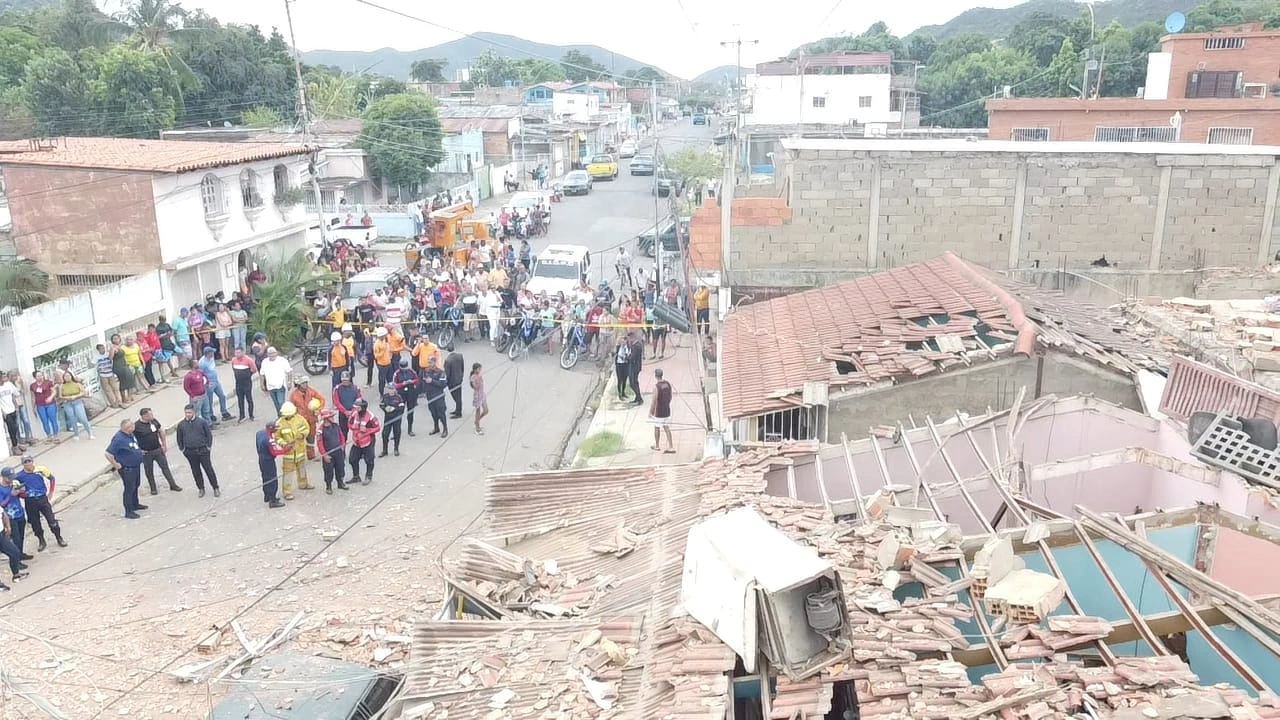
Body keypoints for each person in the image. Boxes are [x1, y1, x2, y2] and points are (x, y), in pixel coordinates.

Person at [14, 455, 65, 550]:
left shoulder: (40, 470)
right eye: (25, 462)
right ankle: (41, 540)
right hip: (30, 502)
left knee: (52, 521)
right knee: (35, 524)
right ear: (22, 464)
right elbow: (16, 490)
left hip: (42, 499)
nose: (28, 463)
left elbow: (52, 478)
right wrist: (23, 494)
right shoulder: (19, 476)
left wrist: (51, 492)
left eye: (29, 461)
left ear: (32, 461)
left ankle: (59, 538)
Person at [104, 419, 147, 519]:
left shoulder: (130, 434)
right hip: (127, 468)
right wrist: (116, 464)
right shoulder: (119, 439)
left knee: (136, 484)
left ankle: (135, 504)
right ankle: (129, 511)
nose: (134, 426)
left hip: (135, 465)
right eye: (132, 425)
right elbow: (108, 453)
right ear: (128, 428)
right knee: (129, 488)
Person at [175, 404, 219, 498]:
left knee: (208, 469)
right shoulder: (181, 425)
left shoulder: (201, 422)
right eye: (186, 412)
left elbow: (209, 435)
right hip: (190, 452)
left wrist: (208, 447)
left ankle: (215, 487)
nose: (187, 414)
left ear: (194, 412)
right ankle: (201, 488)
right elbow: (179, 438)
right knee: (195, 471)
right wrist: (183, 449)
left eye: (189, 412)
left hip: (203, 450)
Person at [134, 408, 181, 495]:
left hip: (157, 449)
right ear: (144, 416)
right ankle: (153, 488)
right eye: (150, 415)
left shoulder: (153, 421)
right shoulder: (136, 426)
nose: (152, 416)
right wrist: (138, 450)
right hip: (146, 452)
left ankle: (173, 484)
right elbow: (132, 439)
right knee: (149, 471)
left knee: (165, 467)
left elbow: (161, 431)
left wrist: (164, 444)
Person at [275, 401, 312, 497]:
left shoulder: (300, 419)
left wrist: (302, 435)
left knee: (302, 469)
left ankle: (303, 484)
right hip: (289, 453)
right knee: (287, 473)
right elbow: (277, 437)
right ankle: (287, 492)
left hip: (300, 450)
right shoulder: (279, 423)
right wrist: (284, 444)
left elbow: (307, 428)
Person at [288, 376, 325, 460]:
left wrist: (318, 410)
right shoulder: (293, 396)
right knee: (299, 438)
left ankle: (311, 455)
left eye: (306, 383)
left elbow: (321, 399)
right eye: (303, 383)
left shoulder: (311, 391)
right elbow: (291, 408)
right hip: (300, 422)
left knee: (311, 438)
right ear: (298, 385)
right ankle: (298, 456)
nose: (305, 385)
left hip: (311, 419)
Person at [0, 468, 31, 566]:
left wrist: (21, 492)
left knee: (21, 536)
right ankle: (16, 561)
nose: (11, 480)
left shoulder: (13, 484)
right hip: (10, 517)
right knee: (16, 538)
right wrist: (11, 494)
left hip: (19, 513)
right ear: (4, 477)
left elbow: (22, 496)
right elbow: (2, 504)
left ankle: (20, 554)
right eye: (9, 478)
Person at [55, 361, 93, 440]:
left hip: (77, 401)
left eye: (68, 376)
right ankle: (76, 434)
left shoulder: (77, 384)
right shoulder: (62, 386)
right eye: (65, 376)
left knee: (82, 418)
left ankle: (89, 432)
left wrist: (75, 396)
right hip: (67, 403)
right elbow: (60, 396)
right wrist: (68, 398)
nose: (67, 377)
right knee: (72, 419)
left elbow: (83, 392)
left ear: (71, 376)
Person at [315, 409, 348, 494]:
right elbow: (320, 443)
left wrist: (343, 445)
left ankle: (340, 483)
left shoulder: (336, 426)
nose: (333, 418)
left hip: (338, 452)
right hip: (328, 454)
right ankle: (328, 486)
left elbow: (341, 436)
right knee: (328, 471)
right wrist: (324, 455)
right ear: (326, 418)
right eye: (331, 416)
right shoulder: (320, 430)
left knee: (340, 468)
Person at [347, 398, 379, 485]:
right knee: (352, 459)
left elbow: (377, 427)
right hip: (356, 440)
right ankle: (356, 477)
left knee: (369, 460)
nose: (356, 409)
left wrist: (366, 431)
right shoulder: (354, 414)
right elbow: (349, 423)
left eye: (358, 407)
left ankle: (368, 476)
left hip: (368, 441)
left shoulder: (371, 416)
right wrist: (354, 428)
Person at [255, 421, 287, 508]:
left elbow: (257, 446)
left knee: (265, 478)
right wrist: (286, 450)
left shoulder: (260, 433)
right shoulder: (269, 439)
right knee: (272, 480)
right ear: (271, 429)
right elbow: (274, 452)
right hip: (268, 461)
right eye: (275, 429)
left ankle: (267, 496)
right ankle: (272, 500)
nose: (276, 430)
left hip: (261, 458)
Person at [200, 347, 232, 422]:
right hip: (209, 383)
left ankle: (224, 412)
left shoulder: (211, 358)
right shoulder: (202, 362)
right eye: (212, 352)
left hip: (216, 381)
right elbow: (201, 374)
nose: (213, 353)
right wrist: (206, 383)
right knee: (210, 400)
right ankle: (211, 415)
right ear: (208, 353)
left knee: (222, 396)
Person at [420, 356, 449, 438]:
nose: (429, 364)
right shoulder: (426, 371)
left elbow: (443, 384)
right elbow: (423, 381)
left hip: (438, 396)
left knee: (441, 413)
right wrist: (424, 391)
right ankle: (436, 428)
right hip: (430, 396)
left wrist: (432, 381)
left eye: (431, 362)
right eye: (428, 362)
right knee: (433, 413)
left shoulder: (441, 372)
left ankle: (445, 429)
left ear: (435, 362)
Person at [391, 360, 420, 436]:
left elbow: (417, 380)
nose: (404, 369)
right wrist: (402, 384)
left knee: (410, 412)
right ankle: (396, 432)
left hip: (411, 393)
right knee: (398, 413)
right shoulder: (396, 373)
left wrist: (412, 381)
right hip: (401, 394)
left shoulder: (411, 371)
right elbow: (394, 385)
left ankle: (410, 430)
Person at [259, 347, 293, 413]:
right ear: (267, 354)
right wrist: (262, 384)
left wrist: (289, 382)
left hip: (280, 386)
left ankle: (284, 416)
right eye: (270, 353)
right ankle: (279, 416)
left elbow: (289, 371)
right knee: (276, 404)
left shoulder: (282, 360)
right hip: (270, 387)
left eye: (273, 353)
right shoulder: (265, 362)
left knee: (281, 403)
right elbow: (262, 374)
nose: (272, 355)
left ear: (276, 353)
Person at [230, 347, 258, 423]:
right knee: (240, 400)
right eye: (236, 353)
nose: (237, 354)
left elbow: (254, 369)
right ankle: (242, 415)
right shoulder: (233, 360)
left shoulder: (249, 360)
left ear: (243, 352)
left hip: (247, 383)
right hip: (238, 383)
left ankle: (251, 415)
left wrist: (248, 375)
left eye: (239, 352)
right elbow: (233, 368)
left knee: (249, 399)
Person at [650, 368, 675, 453]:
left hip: (659, 411)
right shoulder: (668, 384)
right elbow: (670, 396)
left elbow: (654, 400)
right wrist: (667, 403)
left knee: (657, 427)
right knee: (666, 427)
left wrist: (651, 411)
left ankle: (657, 445)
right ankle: (671, 446)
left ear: (656, 376)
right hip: (667, 409)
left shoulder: (656, 386)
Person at [332, 372, 362, 437]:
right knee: (343, 433)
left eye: (346, 380)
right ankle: (343, 446)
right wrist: (345, 411)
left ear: (349, 379)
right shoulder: (337, 389)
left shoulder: (356, 388)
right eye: (343, 380)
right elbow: (336, 402)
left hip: (355, 414)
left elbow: (359, 400)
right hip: (343, 414)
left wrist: (353, 411)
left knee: (357, 432)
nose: (344, 382)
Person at [30, 371, 58, 440]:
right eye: (38, 376)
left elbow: (54, 391)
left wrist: (51, 397)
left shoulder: (48, 382)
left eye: (41, 375)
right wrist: (33, 407)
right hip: (40, 405)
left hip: (50, 404)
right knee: (44, 421)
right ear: (35, 377)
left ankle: (55, 435)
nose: (40, 377)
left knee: (53, 419)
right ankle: (49, 435)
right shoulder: (32, 386)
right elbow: (33, 397)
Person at [378, 386, 405, 457]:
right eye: (389, 389)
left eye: (392, 389)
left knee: (397, 433)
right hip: (388, 418)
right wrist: (385, 408)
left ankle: (396, 449)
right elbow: (381, 405)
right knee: (385, 434)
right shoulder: (385, 396)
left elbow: (402, 407)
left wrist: (394, 408)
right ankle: (385, 450)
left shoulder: (399, 397)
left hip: (396, 419)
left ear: (395, 390)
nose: (391, 391)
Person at [444, 348, 465, 419]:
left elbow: (447, 373)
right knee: (459, 396)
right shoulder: (460, 356)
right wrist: (461, 376)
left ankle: (459, 413)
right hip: (459, 379)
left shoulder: (448, 360)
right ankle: (457, 409)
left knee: (456, 397)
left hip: (452, 382)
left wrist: (445, 382)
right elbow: (462, 367)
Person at [627, 330, 645, 406]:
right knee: (634, 382)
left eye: (630, 338)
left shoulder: (636, 346)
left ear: (632, 338)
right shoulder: (634, 345)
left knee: (633, 382)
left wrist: (627, 357)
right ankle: (637, 397)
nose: (629, 340)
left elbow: (632, 357)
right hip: (634, 366)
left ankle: (639, 397)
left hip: (635, 367)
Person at [469, 363, 488, 435]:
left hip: (482, 394)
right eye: (478, 369)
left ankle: (477, 421)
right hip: (477, 396)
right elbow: (475, 387)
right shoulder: (473, 377)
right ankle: (477, 428)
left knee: (486, 410)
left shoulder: (479, 375)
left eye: (480, 369)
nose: (480, 370)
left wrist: (480, 378)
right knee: (478, 411)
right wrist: (479, 379)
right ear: (475, 369)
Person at [614, 332, 633, 402]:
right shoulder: (618, 347)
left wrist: (627, 357)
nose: (623, 342)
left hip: (625, 364)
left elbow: (629, 354)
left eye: (624, 341)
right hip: (619, 364)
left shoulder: (628, 347)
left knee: (625, 379)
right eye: (622, 341)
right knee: (620, 379)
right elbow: (615, 353)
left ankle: (623, 392)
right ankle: (619, 394)